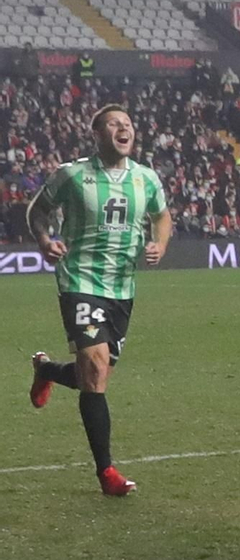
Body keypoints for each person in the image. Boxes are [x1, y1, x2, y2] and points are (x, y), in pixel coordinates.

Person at [27, 103, 171, 496]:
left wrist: (159, 242)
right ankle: (106, 472)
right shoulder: (72, 175)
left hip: (122, 288)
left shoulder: (146, 179)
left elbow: (162, 217)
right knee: (95, 367)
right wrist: (44, 240)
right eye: (114, 124)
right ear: (97, 134)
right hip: (80, 279)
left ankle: (48, 371)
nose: (123, 128)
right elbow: (38, 211)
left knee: (96, 374)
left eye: (127, 123)